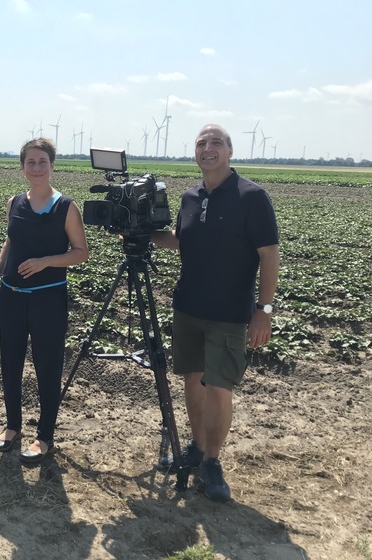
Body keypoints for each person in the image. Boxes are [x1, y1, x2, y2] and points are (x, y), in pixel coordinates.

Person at [150, 124, 279, 501]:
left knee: (219, 387)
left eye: (216, 143)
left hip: (228, 313)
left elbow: (269, 255)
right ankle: (197, 445)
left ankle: (212, 461)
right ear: (195, 152)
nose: (208, 149)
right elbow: (181, 240)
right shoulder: (190, 197)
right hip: (188, 306)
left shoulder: (252, 197)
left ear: (230, 150)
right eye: (202, 143)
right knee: (193, 379)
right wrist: (142, 236)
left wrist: (263, 311)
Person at [0, 138, 88, 464]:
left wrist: (45, 262)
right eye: (31, 162)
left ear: (52, 166)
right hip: (11, 299)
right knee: (10, 363)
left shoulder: (66, 207)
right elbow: (9, 244)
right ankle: (12, 427)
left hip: (47, 301)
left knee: (47, 368)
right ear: (22, 166)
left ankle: (44, 437)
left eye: (43, 162)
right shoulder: (15, 203)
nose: (37, 168)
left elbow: (81, 253)